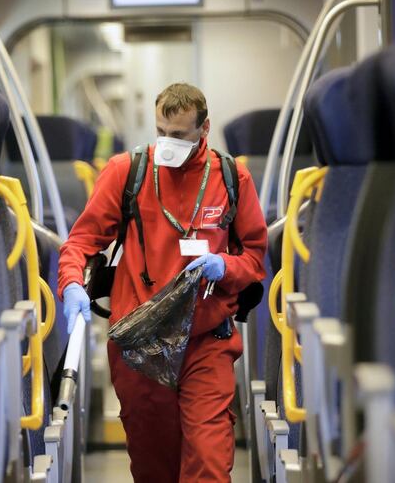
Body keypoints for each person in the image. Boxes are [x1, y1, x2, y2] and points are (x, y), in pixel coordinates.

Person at [58, 83, 267, 482]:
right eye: (160, 133)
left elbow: (255, 257)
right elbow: (82, 241)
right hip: (140, 344)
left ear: (204, 129)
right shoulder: (127, 172)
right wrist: (70, 283)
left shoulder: (231, 177)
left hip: (206, 341)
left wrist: (225, 266)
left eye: (178, 135)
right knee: (155, 467)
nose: (166, 144)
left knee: (208, 463)